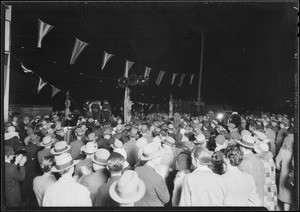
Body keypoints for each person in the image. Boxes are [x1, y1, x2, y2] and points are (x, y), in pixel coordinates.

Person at [134, 142, 170, 206]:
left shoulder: (136, 170)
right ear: (153, 160)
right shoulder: (157, 178)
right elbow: (166, 199)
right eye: (159, 156)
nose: (161, 158)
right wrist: (163, 178)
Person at [236, 134, 265, 205]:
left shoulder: (243, 162)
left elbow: (241, 183)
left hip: (250, 197)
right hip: (260, 194)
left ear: (241, 147)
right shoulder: (258, 159)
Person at [254, 141, 278, 210]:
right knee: (272, 205)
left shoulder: (260, 161)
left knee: (265, 205)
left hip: (264, 187)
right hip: (272, 186)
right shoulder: (270, 158)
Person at [275, 126, 294, 211]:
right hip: (294, 176)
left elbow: (277, 161)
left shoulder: (283, 150)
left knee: (286, 197)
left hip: (285, 175)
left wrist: (278, 167)